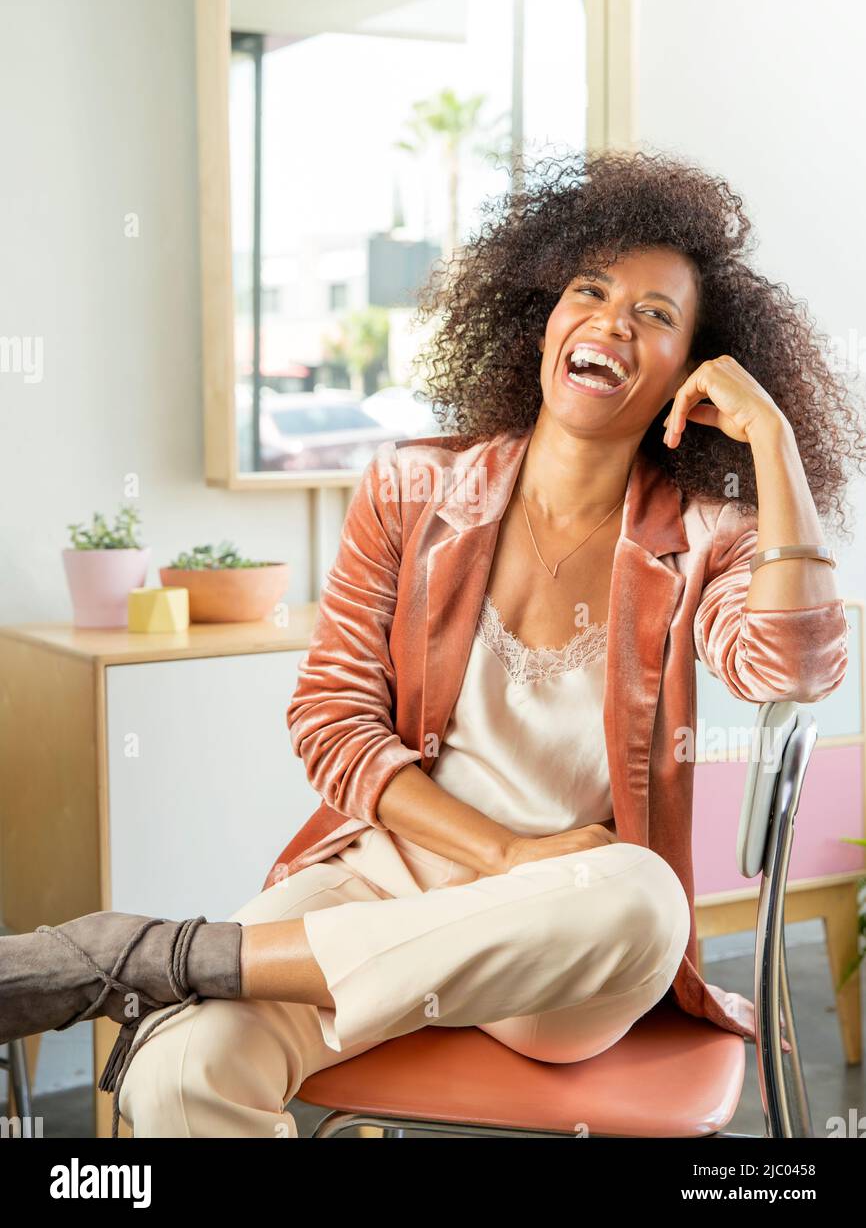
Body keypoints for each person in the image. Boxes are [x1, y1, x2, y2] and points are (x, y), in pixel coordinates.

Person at [2, 150, 861, 1140]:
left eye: (656, 315)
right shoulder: (411, 489)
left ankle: (164, 954)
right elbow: (330, 718)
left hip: (558, 929)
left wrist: (776, 451)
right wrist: (497, 849)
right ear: (538, 315)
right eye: (588, 289)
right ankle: (203, 966)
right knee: (178, 1075)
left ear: (690, 374)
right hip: (385, 873)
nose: (611, 322)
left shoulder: (704, 534)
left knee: (645, 897)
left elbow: (791, 666)